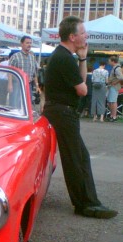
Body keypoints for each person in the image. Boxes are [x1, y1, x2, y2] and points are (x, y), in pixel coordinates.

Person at [43, 16, 117, 219]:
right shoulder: (64, 58)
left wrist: (83, 59)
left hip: (62, 112)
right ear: (72, 36)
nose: (87, 36)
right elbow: (83, 90)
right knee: (76, 159)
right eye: (83, 33)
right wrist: (80, 61)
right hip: (62, 113)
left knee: (78, 157)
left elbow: (81, 83)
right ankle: (85, 204)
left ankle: (88, 202)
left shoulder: (66, 56)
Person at [8, 36, 40, 106]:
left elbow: (34, 73)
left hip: (28, 85)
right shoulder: (15, 56)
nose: (29, 45)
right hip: (17, 84)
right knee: (15, 105)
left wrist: (37, 85)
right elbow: (9, 71)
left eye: (30, 43)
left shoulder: (32, 57)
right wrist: (10, 84)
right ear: (22, 44)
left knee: (27, 105)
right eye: (27, 43)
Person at [106, 55, 123, 122]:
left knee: (113, 101)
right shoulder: (115, 68)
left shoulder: (117, 68)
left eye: (109, 61)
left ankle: (114, 116)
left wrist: (115, 82)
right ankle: (112, 115)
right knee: (110, 101)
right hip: (112, 86)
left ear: (113, 61)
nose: (108, 62)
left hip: (114, 87)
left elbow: (121, 77)